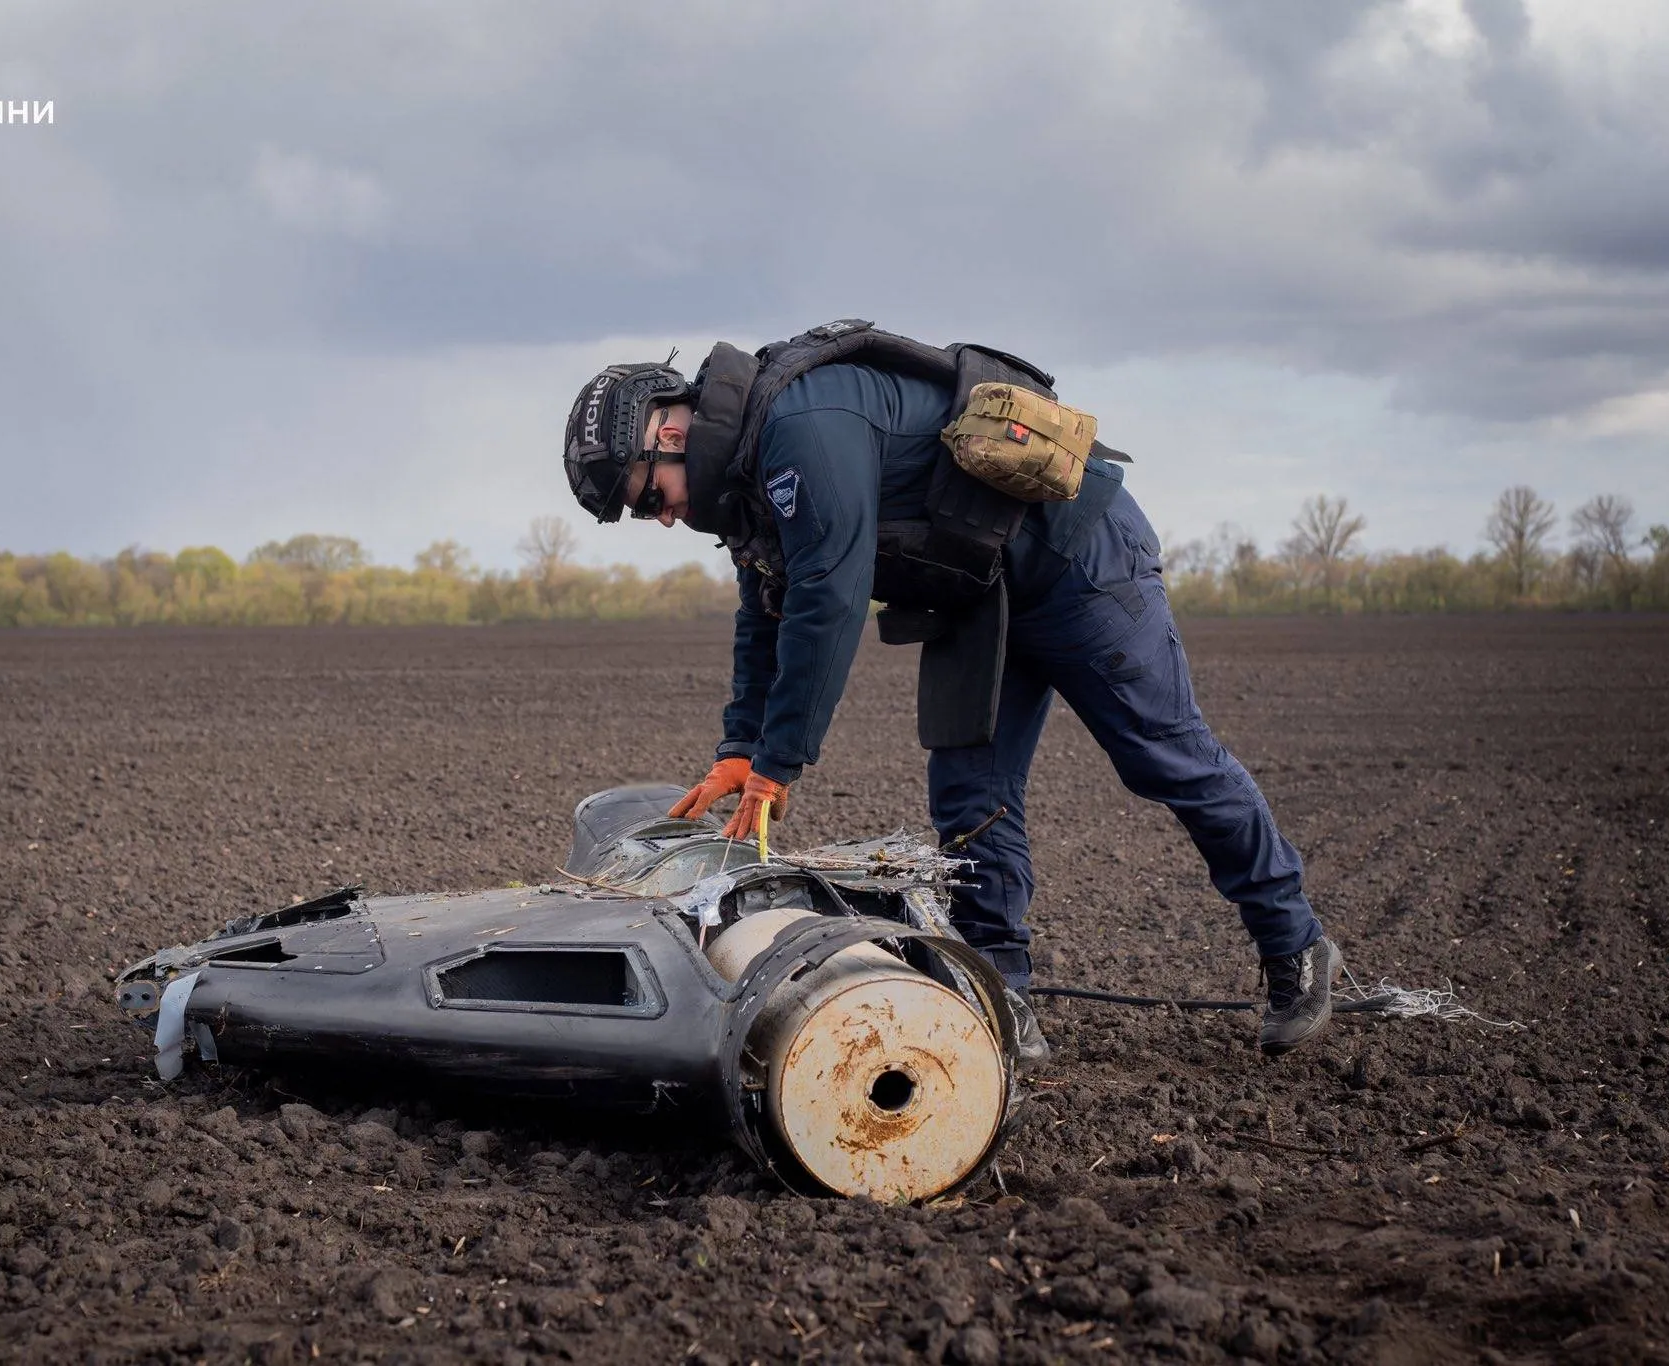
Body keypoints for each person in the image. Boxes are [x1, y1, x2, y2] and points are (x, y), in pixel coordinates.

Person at [559, 322, 1343, 1063]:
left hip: (1078, 559)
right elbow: (765, 608)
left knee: (1166, 759)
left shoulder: (802, 427)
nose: (660, 519)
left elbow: (829, 595)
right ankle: (1003, 995)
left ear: (667, 433)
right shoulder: (744, 484)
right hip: (981, 590)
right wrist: (739, 746)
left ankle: (1295, 944)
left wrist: (781, 760)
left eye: (646, 499)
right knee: (971, 794)